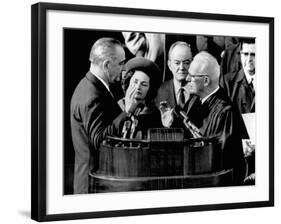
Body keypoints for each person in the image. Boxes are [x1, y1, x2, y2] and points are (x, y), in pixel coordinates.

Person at [70, 37, 130, 194]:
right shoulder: (92, 96)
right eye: (121, 63)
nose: (124, 69)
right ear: (107, 65)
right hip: (92, 185)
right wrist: (127, 112)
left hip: (92, 180)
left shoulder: (91, 86)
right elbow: (100, 140)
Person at [185, 51, 247, 184]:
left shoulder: (225, 112)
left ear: (206, 81)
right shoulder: (193, 102)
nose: (186, 79)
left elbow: (218, 159)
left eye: (192, 76)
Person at [154, 41, 200, 129]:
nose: (182, 68)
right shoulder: (159, 92)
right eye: (177, 63)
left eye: (186, 63)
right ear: (169, 65)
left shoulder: (200, 91)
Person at [119, 57, 163, 139]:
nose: (138, 87)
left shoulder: (153, 113)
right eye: (135, 82)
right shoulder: (117, 107)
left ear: (150, 89)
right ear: (128, 82)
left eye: (144, 84)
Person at [220, 38, 255, 113]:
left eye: (253, 55)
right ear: (240, 54)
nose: (249, 59)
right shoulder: (227, 83)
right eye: (245, 54)